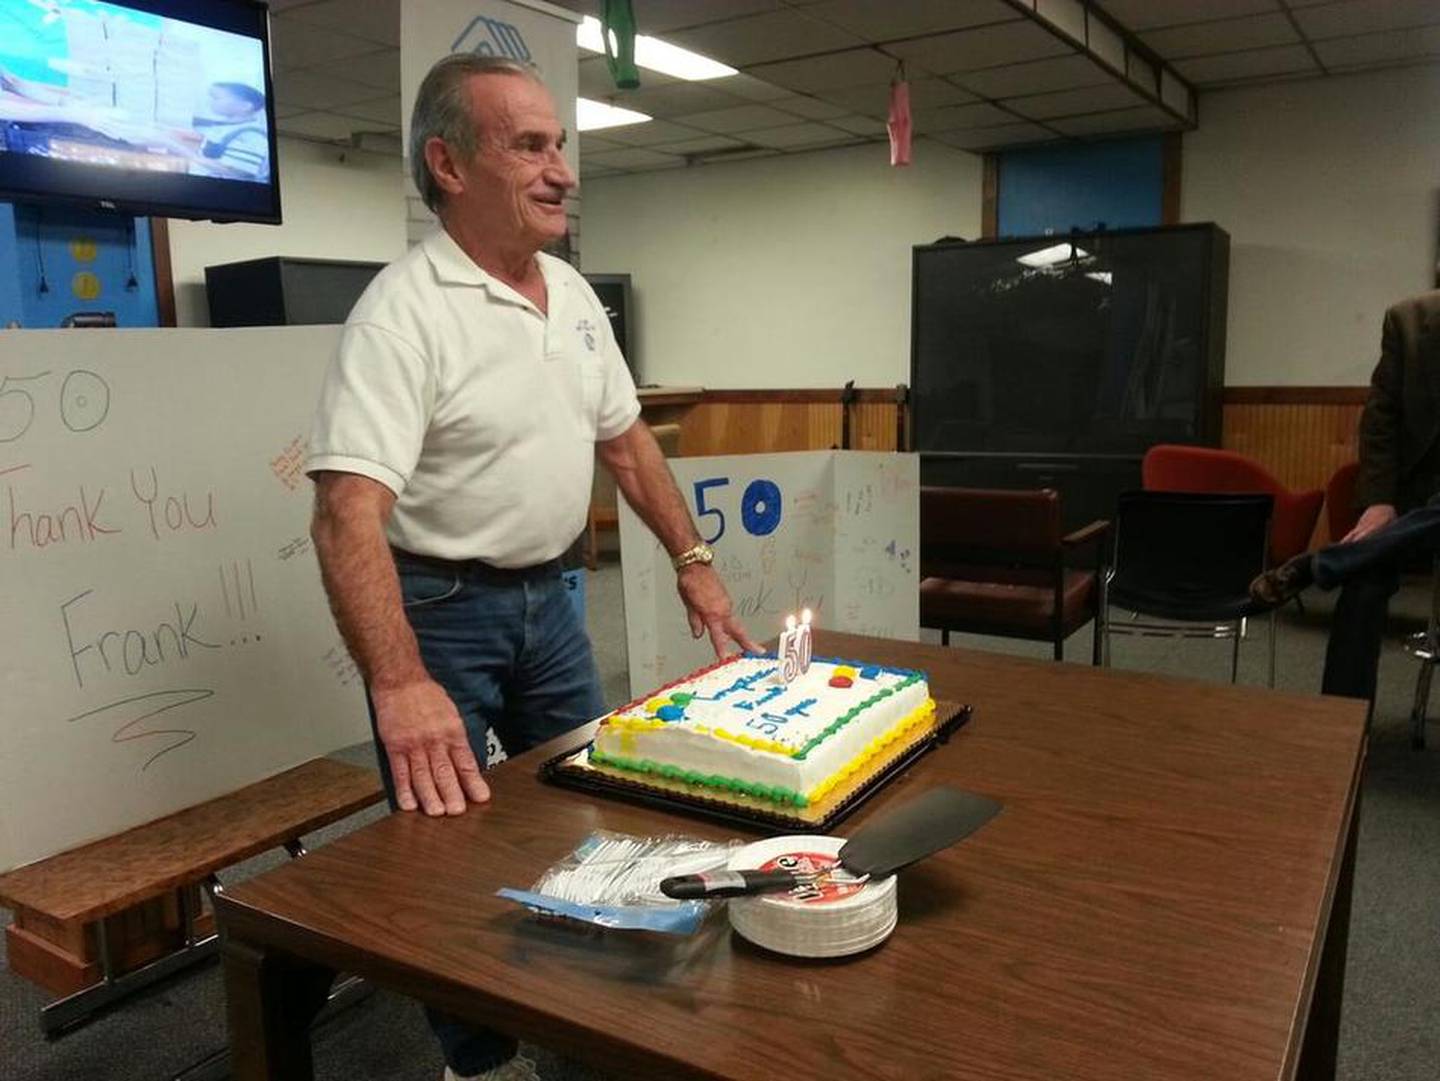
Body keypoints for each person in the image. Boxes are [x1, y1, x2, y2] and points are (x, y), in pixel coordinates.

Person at [304, 54, 757, 1081]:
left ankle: (581, 1027)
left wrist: (694, 560)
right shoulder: (403, 312)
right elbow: (343, 516)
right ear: (447, 164)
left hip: (553, 599)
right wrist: (398, 678)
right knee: (446, 844)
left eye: (562, 145)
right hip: (440, 611)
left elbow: (629, 446)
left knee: (583, 814)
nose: (562, 171)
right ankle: (476, 1054)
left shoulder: (571, 293)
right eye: (530, 146)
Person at [1251, 290, 1440, 703]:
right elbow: (1380, 420)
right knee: (1363, 581)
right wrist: (1379, 501)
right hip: (1411, 503)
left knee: (1364, 554)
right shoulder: (1408, 320)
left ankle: (1320, 563)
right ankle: (1340, 721)